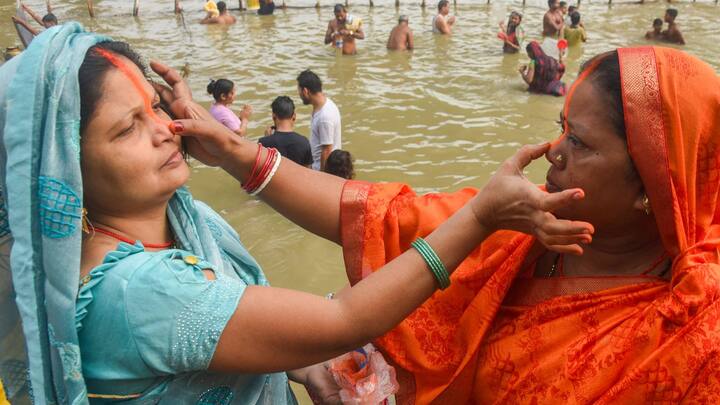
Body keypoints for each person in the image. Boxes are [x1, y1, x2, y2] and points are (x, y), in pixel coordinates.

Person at [0, 23, 590, 404]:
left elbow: (218, 343)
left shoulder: (180, 229)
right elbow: (346, 323)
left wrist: (299, 367)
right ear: (65, 173)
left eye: (156, 107)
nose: (165, 130)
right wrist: (482, 216)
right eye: (128, 127)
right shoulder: (138, 290)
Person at [317, 47, 720, 403]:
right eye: (560, 129)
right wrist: (253, 162)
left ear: (652, 186)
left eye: (578, 142)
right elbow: (389, 215)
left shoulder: (694, 334)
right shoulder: (520, 226)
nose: (554, 154)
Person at [297, 70, 342, 171]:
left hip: (322, 170)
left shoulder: (325, 116)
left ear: (305, 91)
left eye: (299, 91)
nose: (299, 94)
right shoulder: (325, 105)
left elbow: (327, 151)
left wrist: (321, 177)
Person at [259, 96, 312, 167]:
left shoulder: (264, 143)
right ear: (294, 116)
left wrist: (267, 139)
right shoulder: (304, 142)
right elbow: (308, 171)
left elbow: (260, 169)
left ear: (273, 116)